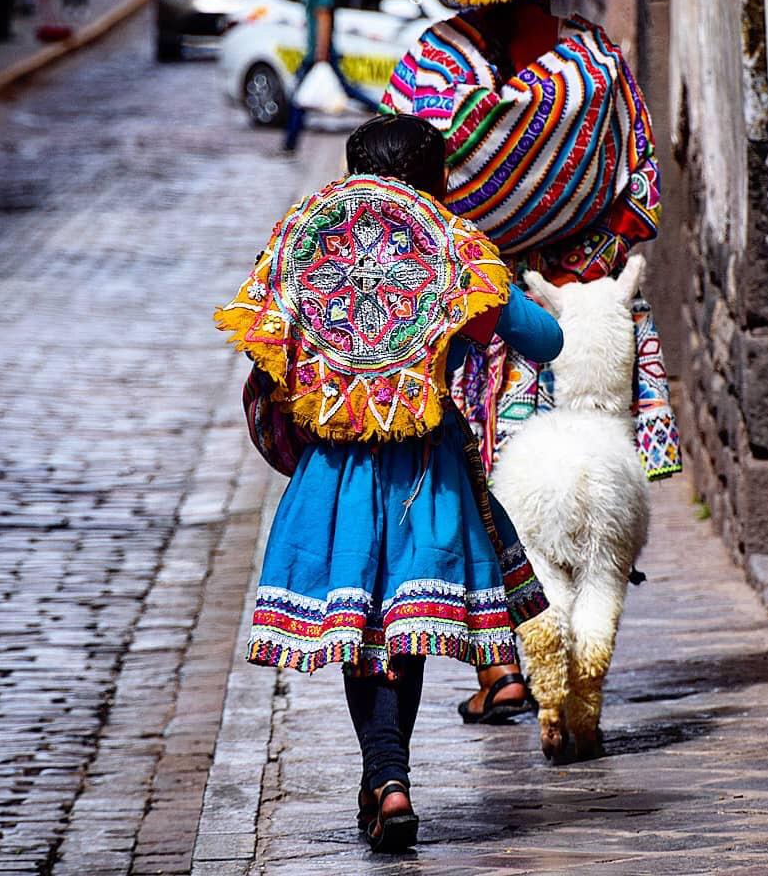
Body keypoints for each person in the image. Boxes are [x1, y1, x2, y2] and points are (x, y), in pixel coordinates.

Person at [379, 0, 682, 721]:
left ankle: (502, 666)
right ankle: (576, 646)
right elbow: (640, 186)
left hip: (481, 317)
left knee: (484, 482)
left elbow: (404, 190)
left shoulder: (433, 65)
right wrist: (586, 255)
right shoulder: (594, 61)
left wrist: (486, 250)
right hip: (581, 308)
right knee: (587, 474)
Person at [215, 114, 564, 851]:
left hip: (333, 481)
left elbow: (264, 363)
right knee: (398, 632)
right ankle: (389, 777)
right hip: (424, 481)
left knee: (367, 635)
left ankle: (387, 778)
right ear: (438, 182)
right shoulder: (450, 252)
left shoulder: (305, 245)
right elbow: (544, 339)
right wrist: (480, 276)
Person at [282, 0, 379, 153]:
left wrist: (321, 53)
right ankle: (289, 142)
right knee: (303, 96)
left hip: (321, 52)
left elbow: (324, 19)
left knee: (315, 95)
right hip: (315, 52)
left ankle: (383, 112)